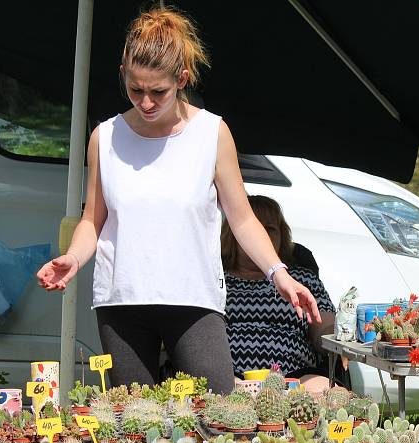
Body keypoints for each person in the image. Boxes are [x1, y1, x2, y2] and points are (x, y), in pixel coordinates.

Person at [36, 8, 320, 394]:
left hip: (193, 298)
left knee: (220, 410)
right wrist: (73, 257)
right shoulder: (105, 137)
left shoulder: (211, 133)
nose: (146, 102)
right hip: (123, 301)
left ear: (182, 79)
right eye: (136, 90)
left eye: (159, 92)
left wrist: (279, 273)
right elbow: (93, 219)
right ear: (123, 73)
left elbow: (242, 219)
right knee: (132, 424)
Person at [221, 196, 346, 393]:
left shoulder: (302, 279)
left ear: (282, 236)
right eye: (256, 227)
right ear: (233, 233)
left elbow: (326, 326)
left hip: (296, 377)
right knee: (220, 387)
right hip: (232, 376)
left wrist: (340, 338)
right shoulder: (216, 279)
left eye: (270, 229)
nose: (262, 235)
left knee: (326, 392)